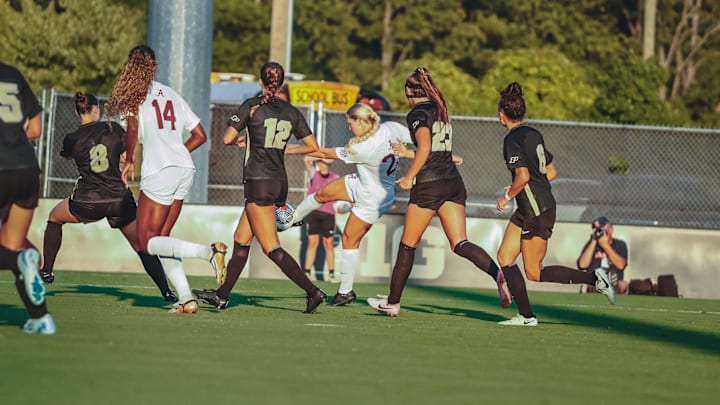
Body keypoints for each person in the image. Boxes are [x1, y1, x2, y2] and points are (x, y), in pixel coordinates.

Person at [367, 67, 511, 317]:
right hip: (452, 182)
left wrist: (410, 176)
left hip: (430, 184)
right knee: (460, 242)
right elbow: (435, 150)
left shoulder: (417, 113)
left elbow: (425, 147)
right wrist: (409, 153)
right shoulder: (440, 109)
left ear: (412, 91)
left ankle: (392, 302)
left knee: (407, 245)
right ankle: (498, 273)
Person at [193, 61, 327, 313]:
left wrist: (243, 141)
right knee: (241, 239)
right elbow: (313, 146)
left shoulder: (252, 106)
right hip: (279, 181)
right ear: (283, 83)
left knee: (271, 247)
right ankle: (222, 295)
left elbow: (227, 138)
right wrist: (287, 148)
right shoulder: (291, 111)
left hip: (258, 181)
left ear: (260, 82)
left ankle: (313, 291)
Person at [105, 45, 227, 314]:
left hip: (160, 170)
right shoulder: (171, 94)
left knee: (147, 241)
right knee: (162, 238)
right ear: (155, 67)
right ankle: (186, 298)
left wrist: (130, 160)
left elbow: (133, 129)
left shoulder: (133, 96)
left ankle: (209, 253)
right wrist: (179, 152)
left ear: (130, 67)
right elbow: (200, 135)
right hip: (184, 168)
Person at [493, 82, 615, 326]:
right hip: (530, 206)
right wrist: (519, 188)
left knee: (534, 272)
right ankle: (525, 315)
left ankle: (595, 278)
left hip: (536, 210)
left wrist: (507, 196)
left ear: (501, 114)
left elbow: (524, 176)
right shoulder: (533, 134)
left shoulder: (512, 141)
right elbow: (551, 172)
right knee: (505, 257)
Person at [39, 92, 177, 302]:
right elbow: (124, 154)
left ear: (78, 112)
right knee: (142, 246)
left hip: (88, 201)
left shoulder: (72, 138)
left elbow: (68, 155)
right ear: (96, 109)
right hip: (118, 200)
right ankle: (166, 292)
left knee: (54, 217)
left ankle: (47, 271)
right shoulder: (113, 129)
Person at [288, 102, 412, 306]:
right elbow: (424, 141)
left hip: (374, 197)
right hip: (362, 182)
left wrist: (287, 149)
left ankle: (345, 292)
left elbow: (325, 154)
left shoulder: (363, 147)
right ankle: (293, 218)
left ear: (362, 121)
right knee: (322, 193)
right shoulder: (392, 127)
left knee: (349, 239)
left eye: (350, 122)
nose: (349, 127)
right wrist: (444, 155)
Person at [0, 61, 55, 334]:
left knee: (12, 254)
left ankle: (20, 261)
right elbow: (35, 129)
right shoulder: (13, 74)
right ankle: (41, 317)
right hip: (26, 167)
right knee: (12, 244)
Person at [301, 156, 339, 281]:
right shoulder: (314, 174)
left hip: (329, 214)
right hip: (314, 213)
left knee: (328, 244)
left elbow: (341, 193)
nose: (321, 164)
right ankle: (307, 271)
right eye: (319, 162)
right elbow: (306, 160)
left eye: (323, 162)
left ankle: (331, 273)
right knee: (313, 243)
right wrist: (320, 155)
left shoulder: (335, 178)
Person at [577, 216, 629, 294]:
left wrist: (605, 245)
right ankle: (601, 288)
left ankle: (610, 288)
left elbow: (621, 265)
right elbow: (582, 265)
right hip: (594, 280)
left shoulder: (620, 244)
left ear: (610, 229)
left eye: (602, 230)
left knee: (623, 285)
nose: (600, 233)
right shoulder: (591, 244)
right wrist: (594, 240)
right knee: (590, 284)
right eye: (597, 230)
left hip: (614, 281)